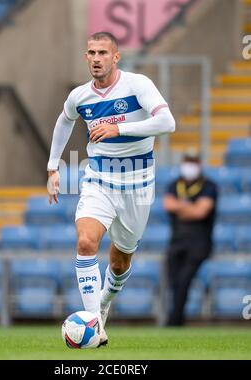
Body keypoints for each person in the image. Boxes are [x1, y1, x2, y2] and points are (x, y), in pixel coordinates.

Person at [47, 32, 176, 345]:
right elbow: (65, 121)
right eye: (91, 52)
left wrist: (120, 128)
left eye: (103, 53)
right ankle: (96, 325)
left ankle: (104, 302)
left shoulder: (137, 84)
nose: (95, 58)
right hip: (99, 179)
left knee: (120, 262)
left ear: (116, 57)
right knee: (86, 242)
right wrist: (53, 166)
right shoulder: (80, 96)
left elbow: (167, 123)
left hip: (138, 182)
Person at [163, 152, 218, 326]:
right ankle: (176, 318)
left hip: (199, 243)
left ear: (199, 164)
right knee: (174, 282)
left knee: (184, 279)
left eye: (193, 162)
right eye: (188, 161)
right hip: (177, 242)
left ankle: (174, 321)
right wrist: (189, 207)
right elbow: (168, 204)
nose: (189, 166)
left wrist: (181, 208)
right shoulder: (174, 184)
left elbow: (201, 211)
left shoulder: (209, 185)